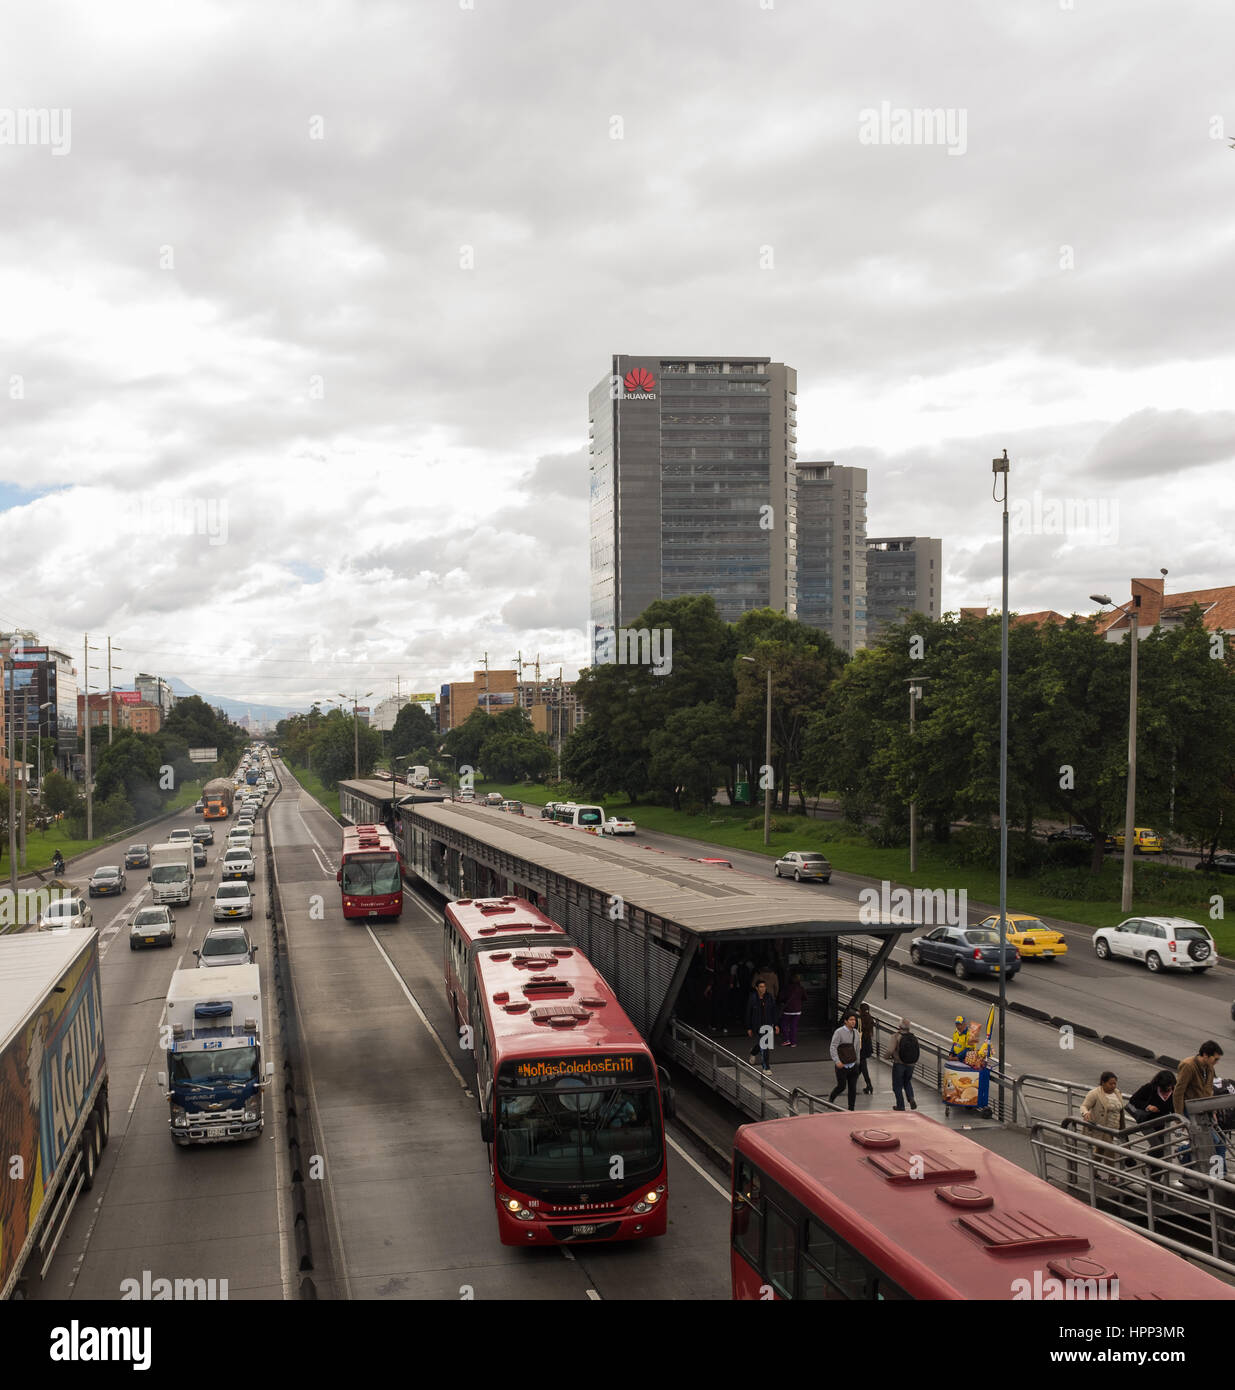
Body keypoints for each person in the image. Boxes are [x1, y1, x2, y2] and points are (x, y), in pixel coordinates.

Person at [828, 1010, 862, 1111]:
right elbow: (833, 1047)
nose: (853, 1022)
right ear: (845, 1021)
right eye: (851, 1020)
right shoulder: (839, 1032)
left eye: (854, 1020)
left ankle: (851, 1108)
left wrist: (858, 1062)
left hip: (853, 1065)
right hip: (842, 1065)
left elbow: (857, 1048)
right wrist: (837, 1061)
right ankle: (831, 1098)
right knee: (841, 1086)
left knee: (853, 1088)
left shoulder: (856, 1033)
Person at [745, 978, 779, 1073]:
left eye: (764, 986)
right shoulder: (752, 998)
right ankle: (766, 1067)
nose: (763, 988)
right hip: (757, 1025)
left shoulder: (769, 997)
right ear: (756, 988)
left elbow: (773, 1011)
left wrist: (776, 1024)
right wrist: (749, 1027)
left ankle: (753, 1052)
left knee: (764, 1044)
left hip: (768, 1024)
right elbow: (748, 1013)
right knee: (765, 1045)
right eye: (761, 987)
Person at [890, 1018, 919, 1111]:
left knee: (897, 1086)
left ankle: (901, 1105)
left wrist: (886, 1056)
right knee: (907, 1081)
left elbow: (890, 1050)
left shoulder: (896, 1036)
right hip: (911, 1064)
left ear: (899, 1026)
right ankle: (911, 1098)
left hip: (899, 1064)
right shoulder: (913, 1037)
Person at [778, 972, 806, 1048]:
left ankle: (787, 1040)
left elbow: (781, 998)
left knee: (783, 1024)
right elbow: (805, 998)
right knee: (793, 1026)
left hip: (788, 1010)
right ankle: (793, 1042)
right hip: (797, 1010)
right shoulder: (801, 988)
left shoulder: (786, 988)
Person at [858, 1003, 875, 1095]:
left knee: (863, 1065)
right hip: (867, 1044)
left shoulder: (860, 1020)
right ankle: (866, 1084)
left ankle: (869, 1085)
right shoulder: (870, 1019)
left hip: (861, 1045)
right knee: (862, 1064)